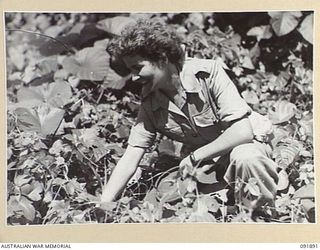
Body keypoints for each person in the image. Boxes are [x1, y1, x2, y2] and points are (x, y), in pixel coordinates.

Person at [101, 19, 279, 216]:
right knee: (165, 197)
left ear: (161, 58)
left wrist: (196, 157)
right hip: (209, 166)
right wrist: (102, 205)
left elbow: (242, 132)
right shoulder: (151, 99)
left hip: (246, 146)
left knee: (246, 158)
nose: (134, 77)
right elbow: (131, 155)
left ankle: (259, 219)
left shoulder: (207, 73)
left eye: (138, 67)